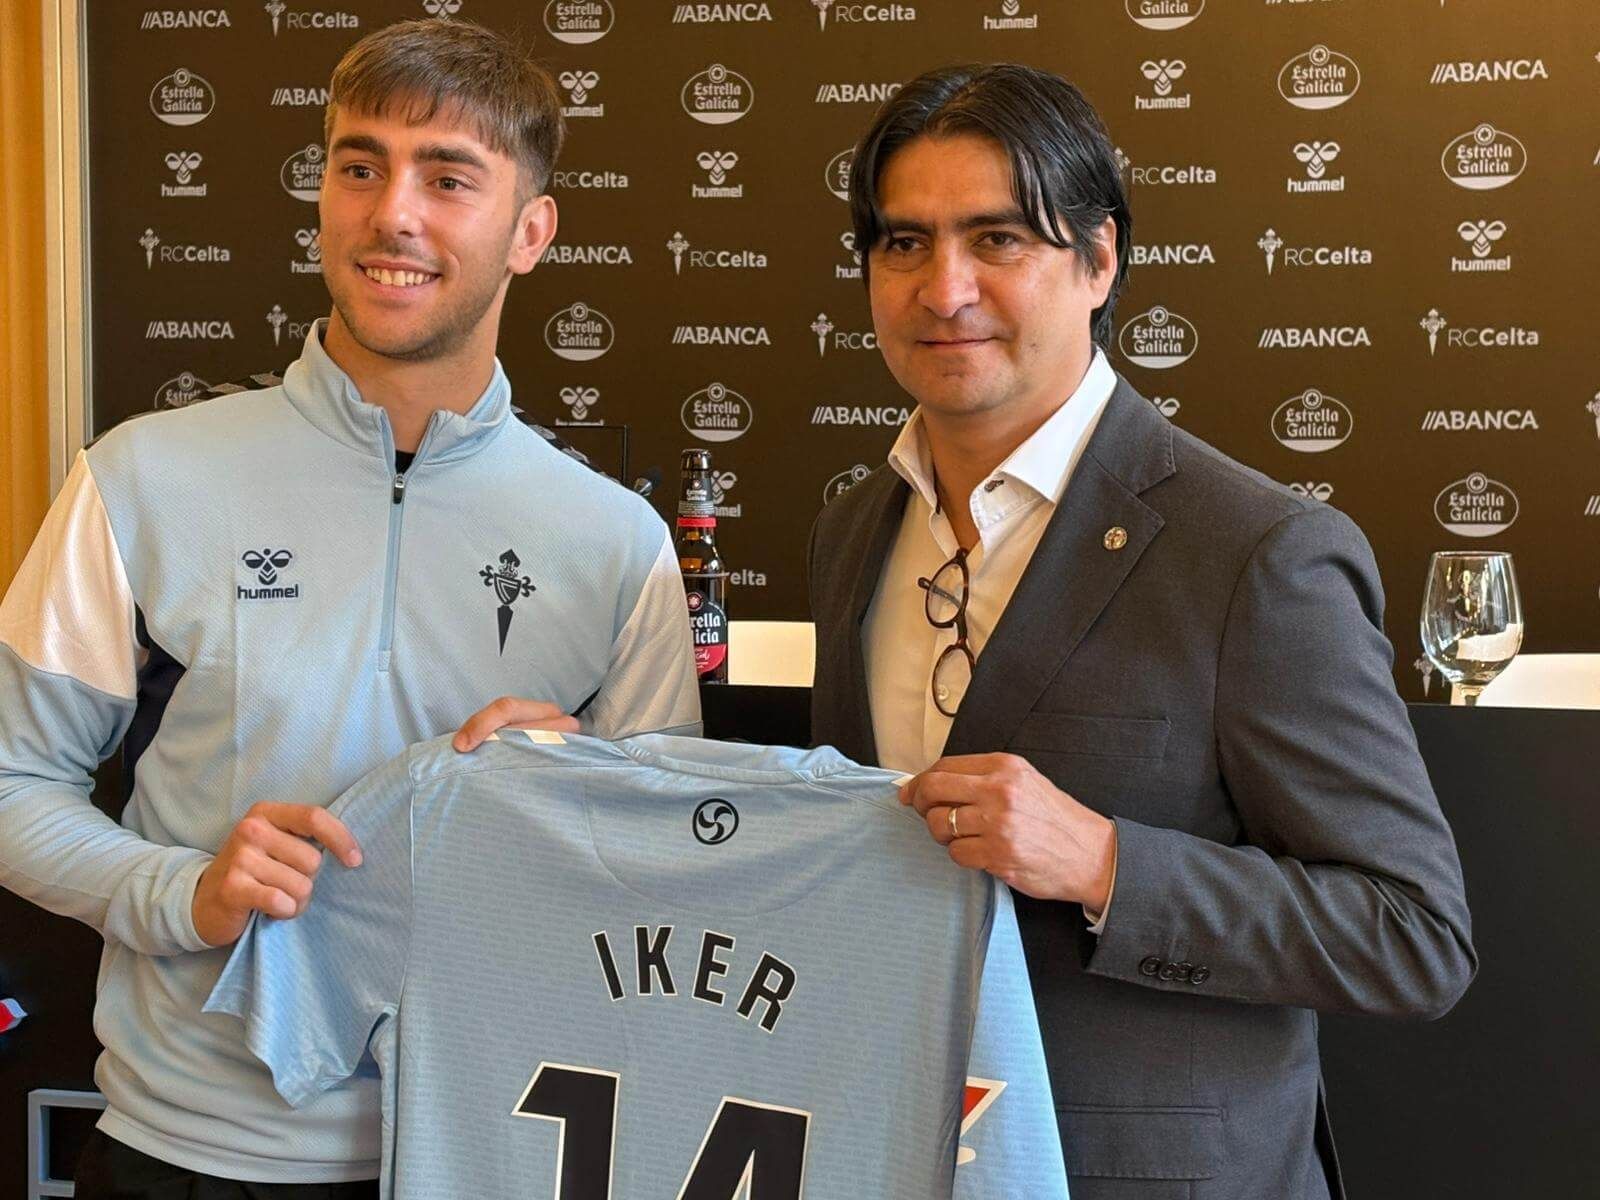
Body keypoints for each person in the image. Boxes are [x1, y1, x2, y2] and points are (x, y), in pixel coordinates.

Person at [0, 19, 697, 1198]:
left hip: (488, 1153)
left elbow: (669, 893)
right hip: (181, 1153)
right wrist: (184, 892)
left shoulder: (616, 544)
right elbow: (12, 786)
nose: (393, 217)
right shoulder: (139, 477)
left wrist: (585, 805)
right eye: (359, 165)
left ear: (532, 230)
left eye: (448, 177)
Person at [807, 63, 1475, 1200]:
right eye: (903, 243)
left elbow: (1411, 936)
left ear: (1099, 259)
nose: (944, 288)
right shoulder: (851, 531)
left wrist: (1108, 863)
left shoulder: (1255, 551)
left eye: (999, 239)